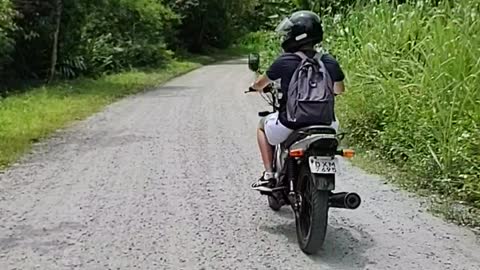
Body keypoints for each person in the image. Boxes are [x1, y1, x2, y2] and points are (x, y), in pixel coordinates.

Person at [249, 11, 346, 192]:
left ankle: (269, 175)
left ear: (296, 35)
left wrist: (254, 87)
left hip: (291, 123)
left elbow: (260, 84)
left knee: (262, 126)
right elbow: (339, 90)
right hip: (326, 124)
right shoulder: (328, 60)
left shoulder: (285, 60)